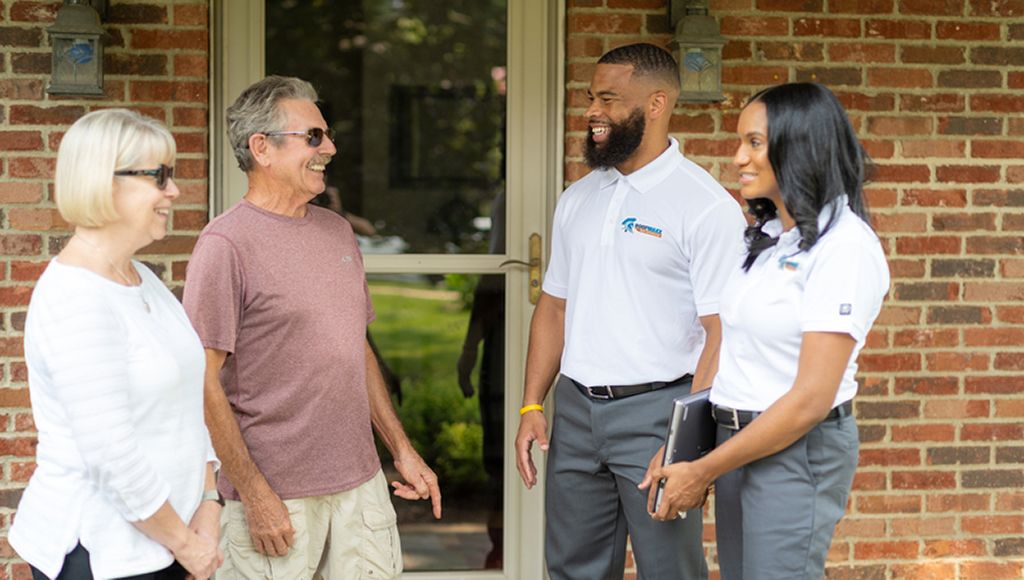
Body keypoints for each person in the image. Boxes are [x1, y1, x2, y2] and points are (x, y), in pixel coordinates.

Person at [182, 75, 441, 580]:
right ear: (262, 148)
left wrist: (402, 451)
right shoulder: (225, 245)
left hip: (360, 487)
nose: (331, 148)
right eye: (314, 137)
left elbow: (354, 347)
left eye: (328, 135)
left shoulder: (335, 231)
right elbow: (201, 380)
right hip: (276, 498)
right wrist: (253, 494)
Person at [514, 43, 747, 579]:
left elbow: (723, 334)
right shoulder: (578, 197)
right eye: (591, 97)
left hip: (657, 413)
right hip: (574, 412)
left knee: (669, 570)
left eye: (609, 99)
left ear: (657, 103)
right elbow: (553, 306)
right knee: (572, 569)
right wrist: (531, 406)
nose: (592, 111)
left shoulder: (705, 207)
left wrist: (687, 445)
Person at [641, 82, 890, 580]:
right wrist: (685, 450)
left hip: (796, 450)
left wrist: (703, 470)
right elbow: (741, 358)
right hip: (739, 443)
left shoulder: (845, 247)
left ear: (800, 146)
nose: (738, 157)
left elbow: (809, 400)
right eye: (741, 142)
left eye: (754, 143)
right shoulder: (768, 237)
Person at [9, 109, 222, 580]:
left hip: (168, 544)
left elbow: (187, 403)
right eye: (159, 176)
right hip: (103, 555)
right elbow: (111, 455)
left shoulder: (141, 278)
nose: (174, 191)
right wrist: (187, 544)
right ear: (105, 183)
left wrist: (208, 502)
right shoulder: (76, 296)